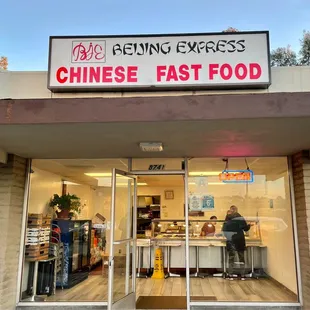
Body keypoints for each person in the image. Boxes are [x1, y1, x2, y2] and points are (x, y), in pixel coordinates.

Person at [222, 205, 251, 280]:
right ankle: (242, 275)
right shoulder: (240, 217)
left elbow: (224, 229)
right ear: (236, 210)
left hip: (231, 239)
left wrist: (227, 236)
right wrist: (249, 225)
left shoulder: (227, 218)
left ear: (230, 210)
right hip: (239, 239)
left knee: (231, 257)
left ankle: (231, 275)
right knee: (241, 257)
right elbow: (245, 228)